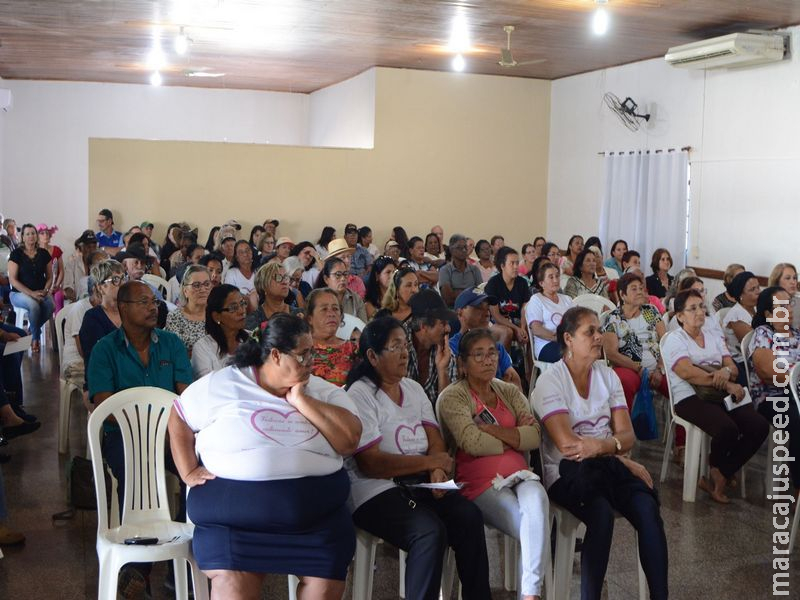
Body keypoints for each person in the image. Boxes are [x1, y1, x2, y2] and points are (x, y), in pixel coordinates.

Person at [170, 313, 361, 600]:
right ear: (275, 355)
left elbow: (349, 441)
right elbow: (179, 416)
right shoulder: (224, 384)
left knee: (324, 586)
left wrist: (301, 400)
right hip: (233, 524)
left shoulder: (320, 390)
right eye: (303, 354)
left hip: (316, 523)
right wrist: (187, 471)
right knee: (233, 588)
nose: (312, 361)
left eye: (312, 353)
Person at [345, 317, 491, 600]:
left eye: (405, 345)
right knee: (428, 532)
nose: (403, 353)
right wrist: (430, 464)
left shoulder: (412, 388)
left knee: (468, 516)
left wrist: (437, 471)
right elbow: (371, 463)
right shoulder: (360, 393)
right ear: (373, 356)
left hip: (419, 483)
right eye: (394, 347)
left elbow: (435, 439)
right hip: (374, 490)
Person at [532, 306, 668, 600]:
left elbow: (627, 436)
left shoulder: (608, 376)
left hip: (608, 466)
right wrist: (615, 452)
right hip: (567, 472)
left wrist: (609, 450)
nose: (598, 337)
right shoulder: (550, 381)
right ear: (568, 339)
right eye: (589, 332)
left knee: (647, 508)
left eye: (599, 330)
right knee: (601, 514)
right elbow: (569, 446)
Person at [439, 328, 547, 600]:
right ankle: (531, 593)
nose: (488, 361)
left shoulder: (508, 391)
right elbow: (470, 442)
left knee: (537, 497)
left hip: (519, 474)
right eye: (479, 355)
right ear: (462, 364)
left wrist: (493, 431)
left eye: (492, 354)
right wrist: (516, 438)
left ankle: (530, 595)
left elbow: (535, 436)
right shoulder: (455, 396)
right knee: (532, 524)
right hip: (479, 483)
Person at [661, 289, 769, 503]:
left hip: (717, 393)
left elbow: (732, 366)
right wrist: (727, 383)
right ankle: (719, 473)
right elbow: (686, 372)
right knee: (727, 428)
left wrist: (726, 373)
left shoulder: (713, 335)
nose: (700, 312)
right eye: (692, 309)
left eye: (701, 306)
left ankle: (720, 471)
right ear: (680, 316)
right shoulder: (675, 339)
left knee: (758, 426)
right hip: (688, 397)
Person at [748, 286, 800, 497]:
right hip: (773, 398)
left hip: (796, 395)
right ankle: (798, 489)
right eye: (782, 306)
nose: (789, 308)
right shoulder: (764, 334)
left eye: (790, 303)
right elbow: (767, 372)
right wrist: (794, 376)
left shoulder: (797, 334)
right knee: (798, 420)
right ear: (769, 314)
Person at [601, 273, 668, 410]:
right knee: (625, 382)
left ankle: (676, 429)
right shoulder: (614, 318)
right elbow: (611, 353)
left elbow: (665, 341)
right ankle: (625, 426)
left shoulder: (651, 311)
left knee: (677, 385)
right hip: (630, 368)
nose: (639, 292)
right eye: (634, 289)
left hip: (657, 368)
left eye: (641, 288)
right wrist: (639, 369)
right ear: (622, 294)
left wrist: (659, 368)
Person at [450, 288, 522, 389]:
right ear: (460, 313)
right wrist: (501, 387)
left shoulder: (497, 347)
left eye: (487, 307)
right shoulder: (452, 348)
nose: (487, 313)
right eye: (478, 307)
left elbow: (515, 381)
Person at [79, 260, 125, 391]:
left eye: (123, 278)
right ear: (100, 287)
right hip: (102, 382)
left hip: (129, 378)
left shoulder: (129, 312)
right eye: (115, 280)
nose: (122, 284)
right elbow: (98, 360)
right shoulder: (92, 318)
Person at [405, 289, 456, 406]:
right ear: (424, 326)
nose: (448, 329)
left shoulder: (445, 352)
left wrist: (442, 370)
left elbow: (447, 409)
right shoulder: (397, 347)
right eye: (442, 323)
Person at [8, 223, 54, 353]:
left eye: (33, 233)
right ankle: (35, 338)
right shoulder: (16, 254)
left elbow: (50, 276)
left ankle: (31, 330)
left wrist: (45, 290)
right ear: (22, 237)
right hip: (18, 293)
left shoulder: (44, 253)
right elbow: (13, 280)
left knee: (51, 305)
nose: (31, 236)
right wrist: (31, 293)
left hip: (40, 292)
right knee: (33, 305)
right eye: (27, 234)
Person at [191, 285, 250, 379]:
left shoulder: (253, 338)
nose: (241, 311)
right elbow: (208, 385)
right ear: (216, 316)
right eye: (233, 308)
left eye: (242, 303)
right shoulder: (203, 348)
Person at [306, 288, 358, 386]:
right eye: (324, 309)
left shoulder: (353, 349)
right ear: (310, 318)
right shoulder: (300, 349)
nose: (331, 314)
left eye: (335, 309)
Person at [526, 262, 574, 363]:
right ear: (541, 283)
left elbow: (576, 323)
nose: (556, 280)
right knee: (571, 355)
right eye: (551, 277)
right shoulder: (536, 299)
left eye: (557, 276)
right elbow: (536, 329)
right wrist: (560, 339)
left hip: (568, 341)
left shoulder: (567, 299)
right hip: (546, 344)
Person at [485, 246, 530, 349]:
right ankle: (504, 364)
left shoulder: (522, 283)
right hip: (494, 323)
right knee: (507, 332)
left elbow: (524, 309)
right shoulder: (493, 283)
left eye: (517, 263)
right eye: (512, 263)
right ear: (502, 266)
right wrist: (516, 329)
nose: (515, 267)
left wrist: (522, 328)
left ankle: (528, 364)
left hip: (517, 321)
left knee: (531, 330)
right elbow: (495, 315)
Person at [720, 270, 759, 385]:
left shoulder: (754, 310)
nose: (758, 292)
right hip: (740, 364)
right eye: (752, 289)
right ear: (741, 295)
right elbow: (753, 346)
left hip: (752, 360)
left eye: (758, 287)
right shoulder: (736, 316)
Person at [166, 265, 211, 355]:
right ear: (185, 290)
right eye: (196, 285)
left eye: (206, 284)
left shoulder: (217, 314)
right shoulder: (175, 317)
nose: (203, 289)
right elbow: (173, 351)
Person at [314, 257, 367, 322]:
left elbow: (362, 327)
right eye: (338, 275)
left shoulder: (356, 299)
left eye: (345, 274)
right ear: (326, 279)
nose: (343, 279)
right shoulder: (317, 300)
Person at [439, 234, 483, 307]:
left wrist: (456, 292)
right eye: (459, 248)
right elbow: (448, 299)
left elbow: (481, 294)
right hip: (453, 311)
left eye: (465, 247)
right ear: (451, 250)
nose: (464, 250)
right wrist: (471, 292)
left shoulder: (475, 270)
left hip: (473, 311)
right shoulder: (445, 270)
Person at [246, 262, 292, 330]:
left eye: (285, 277)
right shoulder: (253, 320)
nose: (284, 282)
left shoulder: (299, 315)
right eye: (278, 277)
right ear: (264, 285)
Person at [36, 223, 65, 313]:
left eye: (47, 233)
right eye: (42, 233)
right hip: (40, 288)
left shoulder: (56, 250)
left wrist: (56, 285)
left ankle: (58, 324)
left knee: (59, 296)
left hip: (55, 286)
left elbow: (61, 271)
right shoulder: (34, 252)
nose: (46, 235)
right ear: (37, 236)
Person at [63, 230, 98, 302]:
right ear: (82, 247)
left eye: (94, 247)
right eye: (88, 247)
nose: (92, 250)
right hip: (77, 302)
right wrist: (76, 298)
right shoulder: (71, 264)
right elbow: (67, 287)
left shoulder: (101, 263)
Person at [224, 240, 257, 308]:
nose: (245, 254)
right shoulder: (231, 273)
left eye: (247, 250)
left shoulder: (258, 272)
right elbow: (230, 295)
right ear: (236, 257)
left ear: (252, 252)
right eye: (241, 252)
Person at [768, 262, 800, 329]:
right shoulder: (768, 302)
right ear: (777, 281)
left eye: (794, 278)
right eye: (788, 278)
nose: (793, 282)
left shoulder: (798, 301)